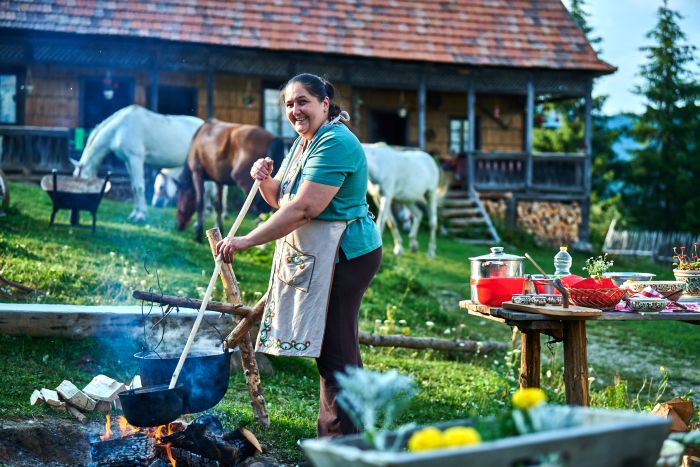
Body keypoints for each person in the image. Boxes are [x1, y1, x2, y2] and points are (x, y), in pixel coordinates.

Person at [216, 73, 382, 437]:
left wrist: (245, 241)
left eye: (303, 101)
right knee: (337, 350)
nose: (295, 110)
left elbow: (306, 208)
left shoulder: (335, 142)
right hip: (321, 254)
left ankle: (339, 447)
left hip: (346, 255)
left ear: (325, 103)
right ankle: (348, 436)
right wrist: (264, 181)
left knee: (335, 353)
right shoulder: (304, 143)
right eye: (289, 104)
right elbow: (284, 199)